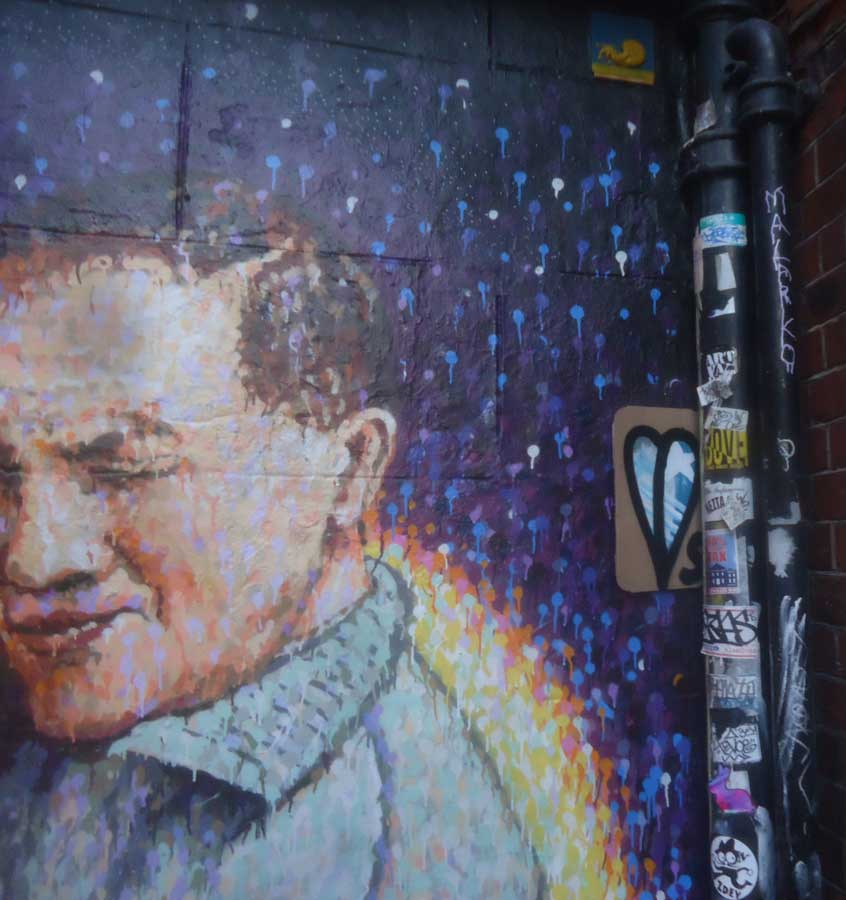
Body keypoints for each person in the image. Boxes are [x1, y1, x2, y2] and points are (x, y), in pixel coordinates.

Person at [0, 214, 544, 898]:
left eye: (124, 467)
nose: (31, 559)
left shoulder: (404, 851)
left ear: (346, 472)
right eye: (3, 475)